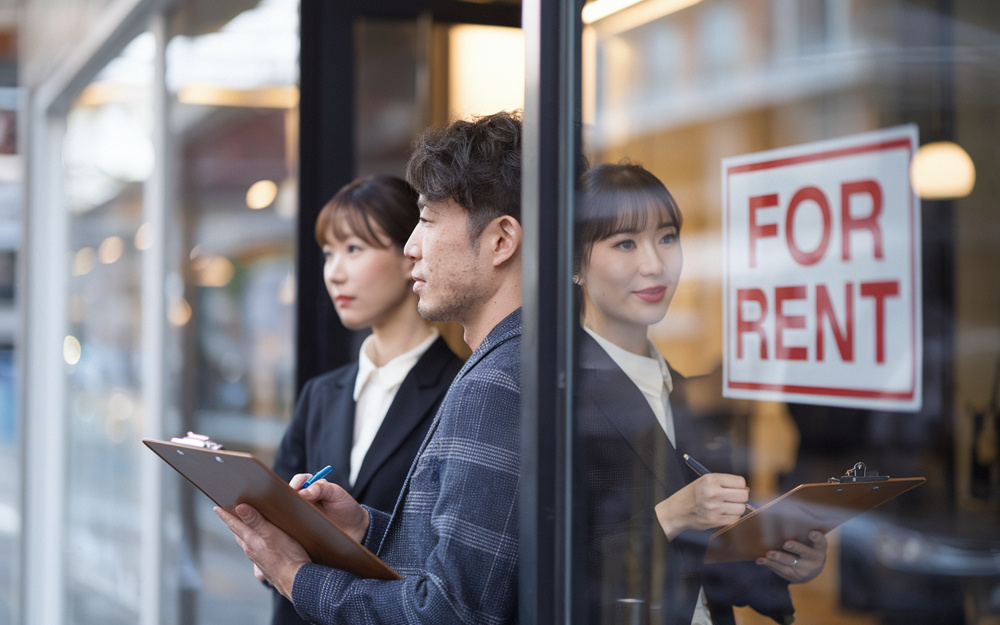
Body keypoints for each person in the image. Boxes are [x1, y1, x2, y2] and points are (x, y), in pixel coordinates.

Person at [214, 110, 524, 624]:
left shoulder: (491, 382)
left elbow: (449, 610)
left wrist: (297, 575)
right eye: (329, 252)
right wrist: (363, 528)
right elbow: (446, 562)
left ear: (500, 240)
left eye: (425, 220)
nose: (412, 248)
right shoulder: (499, 368)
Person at [573, 162, 827, 625]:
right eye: (625, 243)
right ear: (574, 263)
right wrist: (672, 517)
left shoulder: (683, 392)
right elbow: (540, 575)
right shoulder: (561, 394)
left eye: (667, 237)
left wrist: (785, 564)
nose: (655, 264)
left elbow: (705, 565)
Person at [268, 174, 464, 625]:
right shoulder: (321, 394)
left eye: (354, 249)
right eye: (328, 253)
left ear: (409, 253)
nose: (334, 271)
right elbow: (274, 512)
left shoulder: (461, 388)